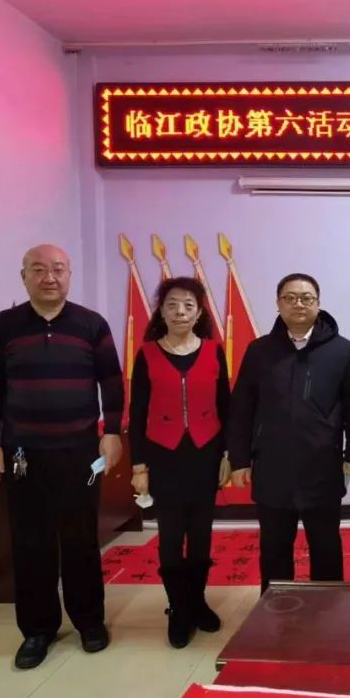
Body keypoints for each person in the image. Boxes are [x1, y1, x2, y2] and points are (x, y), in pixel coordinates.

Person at [0, 244, 124, 669]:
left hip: (80, 451)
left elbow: (112, 382)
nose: (49, 278)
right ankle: (37, 630)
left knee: (81, 540)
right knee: (31, 543)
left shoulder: (91, 324)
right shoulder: (4, 326)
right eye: (38, 270)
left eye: (57, 269)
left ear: (69, 274)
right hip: (24, 453)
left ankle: (89, 621)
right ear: (23, 276)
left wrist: (113, 432)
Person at [228, 273, 350, 593]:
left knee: (326, 546)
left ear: (318, 304)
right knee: (274, 548)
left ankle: (327, 609)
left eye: (306, 298)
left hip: (322, 465)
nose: (299, 304)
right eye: (290, 298)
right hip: (272, 466)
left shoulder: (342, 351)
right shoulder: (259, 351)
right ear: (278, 304)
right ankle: (276, 610)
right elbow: (241, 409)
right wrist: (239, 459)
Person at [128, 276, 229, 648]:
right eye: (172, 304)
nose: (180, 311)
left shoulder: (214, 351)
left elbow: (226, 407)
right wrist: (139, 467)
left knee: (201, 535)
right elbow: (137, 414)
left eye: (188, 305)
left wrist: (228, 455)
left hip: (206, 455)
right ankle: (178, 607)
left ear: (199, 312)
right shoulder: (147, 354)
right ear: (162, 311)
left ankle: (197, 601)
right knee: (171, 537)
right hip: (164, 456)